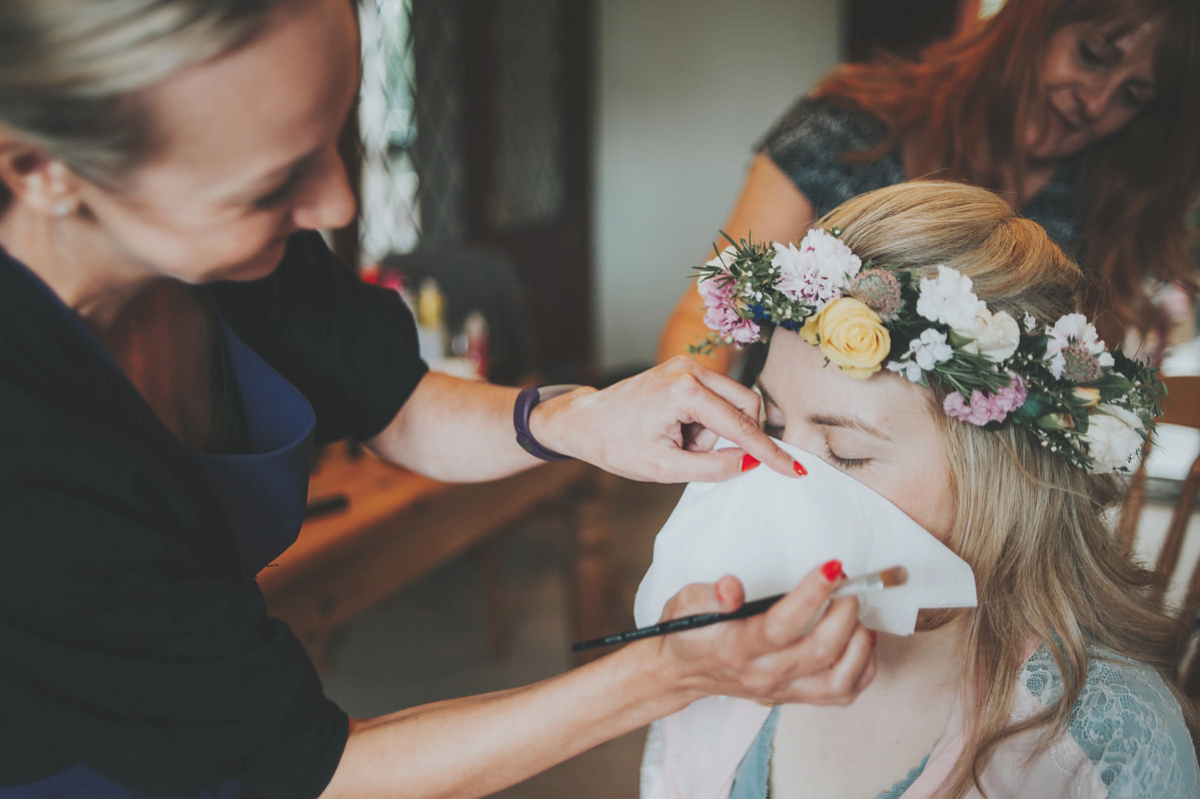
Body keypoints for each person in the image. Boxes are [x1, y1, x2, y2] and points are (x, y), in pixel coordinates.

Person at [0, 1, 880, 796]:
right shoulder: (25, 447)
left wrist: (575, 419)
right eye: (272, 183)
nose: (336, 201)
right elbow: (317, 770)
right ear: (41, 169)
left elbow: (395, 400)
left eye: (335, 138)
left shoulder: (226, 251)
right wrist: (673, 673)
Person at [667, 179, 1200, 798]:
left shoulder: (1105, 746)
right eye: (775, 428)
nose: (782, 480)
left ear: (998, 481)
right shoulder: (730, 643)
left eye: (848, 454)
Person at [658, 0, 1200, 374]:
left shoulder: (1105, 206)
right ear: (1030, 25)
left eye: (1132, 95)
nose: (1096, 102)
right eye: (1094, 56)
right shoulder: (845, 132)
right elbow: (711, 315)